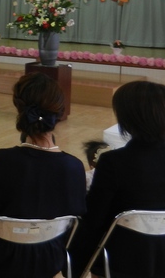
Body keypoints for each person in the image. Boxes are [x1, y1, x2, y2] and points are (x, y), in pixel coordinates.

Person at [0, 72, 86, 278]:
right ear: (59, 114)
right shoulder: (74, 167)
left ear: (20, 109)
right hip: (48, 262)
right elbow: (75, 226)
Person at [71, 81, 165, 278]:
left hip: (122, 263)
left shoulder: (114, 162)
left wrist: (73, 266)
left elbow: (93, 220)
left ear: (128, 119)